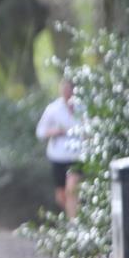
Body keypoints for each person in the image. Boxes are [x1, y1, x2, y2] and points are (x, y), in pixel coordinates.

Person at [36, 78, 82, 218]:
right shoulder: (53, 109)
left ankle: (74, 226)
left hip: (77, 155)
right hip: (58, 156)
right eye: (64, 89)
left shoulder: (83, 107)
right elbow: (41, 132)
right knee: (61, 196)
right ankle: (76, 216)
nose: (67, 92)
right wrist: (56, 131)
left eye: (69, 89)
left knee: (71, 189)